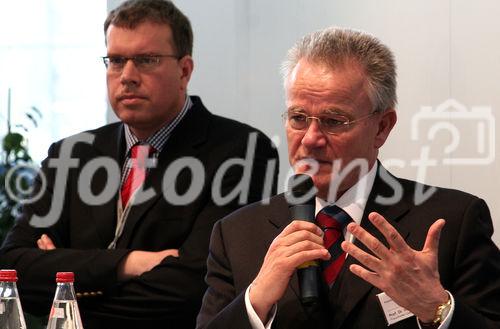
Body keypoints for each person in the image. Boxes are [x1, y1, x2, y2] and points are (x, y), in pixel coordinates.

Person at [196, 27, 500, 329]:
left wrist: (437, 309)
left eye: (333, 121)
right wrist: (255, 301)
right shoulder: (236, 234)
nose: (311, 139)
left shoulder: (452, 222)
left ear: (382, 127)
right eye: (298, 118)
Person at [0, 0, 278, 328]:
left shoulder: (242, 151)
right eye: (116, 60)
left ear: (184, 71)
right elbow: (12, 270)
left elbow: (194, 289)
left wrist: (64, 290)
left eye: (146, 60)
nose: (128, 76)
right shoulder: (70, 154)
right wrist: (130, 264)